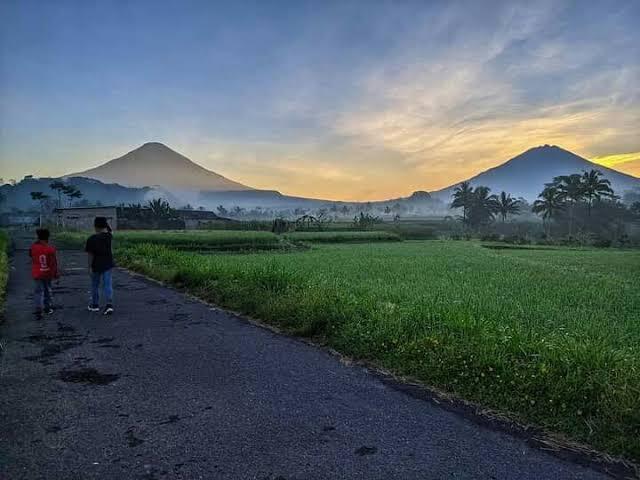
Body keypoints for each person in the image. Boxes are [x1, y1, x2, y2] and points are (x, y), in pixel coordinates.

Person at [85, 217, 114, 315]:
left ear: (95, 226)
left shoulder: (91, 239)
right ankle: (109, 305)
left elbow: (90, 255)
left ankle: (95, 305)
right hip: (107, 264)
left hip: (96, 265)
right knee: (107, 285)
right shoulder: (109, 236)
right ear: (105, 226)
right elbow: (110, 230)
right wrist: (107, 225)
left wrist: (89, 267)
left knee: (95, 285)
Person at [29, 228, 59, 316]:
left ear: (38, 237)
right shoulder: (51, 249)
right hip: (47, 273)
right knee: (47, 290)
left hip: (37, 273)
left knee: (38, 291)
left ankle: (38, 308)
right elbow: (53, 264)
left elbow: (31, 255)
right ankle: (47, 308)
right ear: (47, 238)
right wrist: (56, 275)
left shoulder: (33, 247)